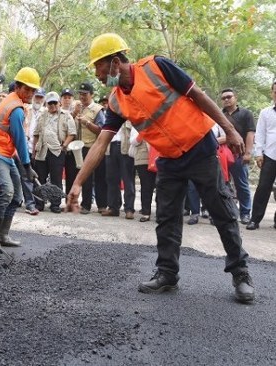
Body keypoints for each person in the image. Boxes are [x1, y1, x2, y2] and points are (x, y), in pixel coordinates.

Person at [67, 33, 254, 303]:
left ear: (116, 62)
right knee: (166, 217)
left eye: (98, 66)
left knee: (222, 212)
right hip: (168, 159)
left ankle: (240, 273)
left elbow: (199, 96)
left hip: (200, 149)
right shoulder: (116, 100)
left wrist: (229, 130)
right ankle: (167, 273)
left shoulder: (157, 67)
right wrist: (77, 183)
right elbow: (101, 143)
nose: (96, 74)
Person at [0, 67, 40, 256]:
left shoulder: (15, 102)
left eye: (33, 90)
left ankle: (3, 235)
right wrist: (28, 166)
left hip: (4, 154)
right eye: (28, 89)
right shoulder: (16, 109)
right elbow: (20, 138)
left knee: (16, 196)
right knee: (6, 190)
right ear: (18, 87)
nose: (31, 93)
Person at [32, 91, 77, 213]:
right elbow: (36, 134)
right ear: (46, 104)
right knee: (40, 178)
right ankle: (39, 203)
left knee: (56, 178)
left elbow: (72, 133)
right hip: (42, 150)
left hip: (57, 151)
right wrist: (33, 151)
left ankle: (55, 204)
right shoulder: (42, 115)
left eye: (54, 103)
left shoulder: (66, 115)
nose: (52, 105)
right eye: (50, 103)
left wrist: (64, 145)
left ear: (59, 103)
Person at [68, 81, 107, 213]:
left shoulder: (97, 109)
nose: (82, 97)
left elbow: (102, 130)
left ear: (91, 95)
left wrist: (87, 123)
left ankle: (102, 205)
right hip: (80, 148)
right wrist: (74, 113)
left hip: (94, 147)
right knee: (85, 177)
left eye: (85, 94)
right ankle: (86, 205)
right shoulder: (78, 108)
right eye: (80, 94)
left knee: (100, 177)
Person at [221, 88, 256, 224]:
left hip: (239, 155)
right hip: (223, 155)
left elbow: (250, 134)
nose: (226, 100)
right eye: (223, 98)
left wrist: (248, 153)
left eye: (229, 97)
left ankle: (245, 213)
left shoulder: (246, 114)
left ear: (235, 97)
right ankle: (229, 212)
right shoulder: (219, 114)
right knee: (222, 185)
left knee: (242, 185)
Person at [246, 81, 276, 230]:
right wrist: (259, 154)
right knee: (263, 187)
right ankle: (255, 220)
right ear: (272, 93)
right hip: (270, 155)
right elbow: (261, 134)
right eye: (275, 91)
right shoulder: (266, 112)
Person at [129, 128, 156, 222]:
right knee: (146, 186)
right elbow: (133, 142)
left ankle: (161, 213)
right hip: (142, 158)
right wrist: (142, 134)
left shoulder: (158, 121)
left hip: (158, 157)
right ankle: (146, 213)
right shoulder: (137, 124)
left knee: (161, 186)